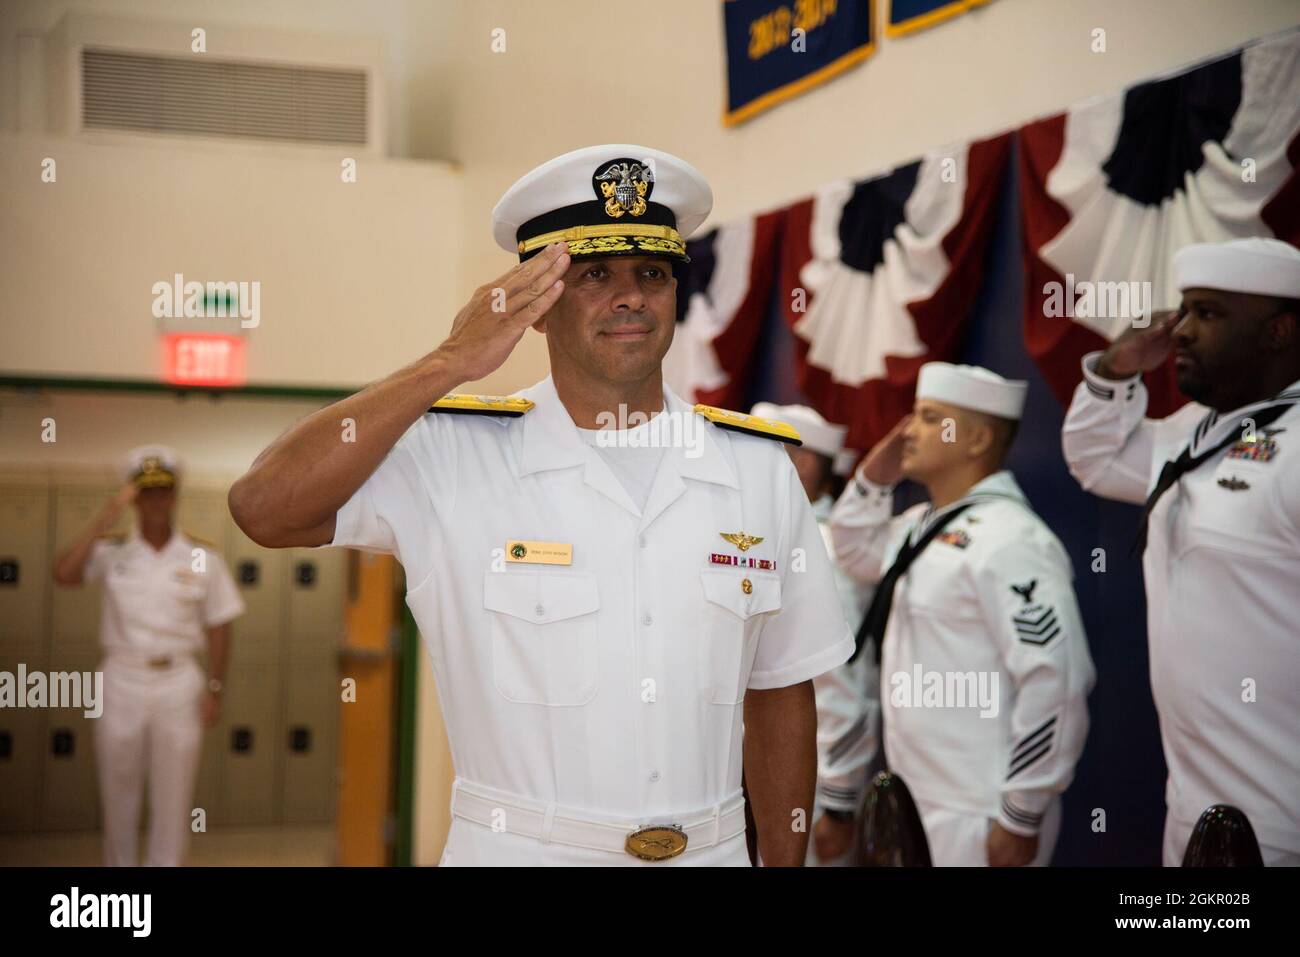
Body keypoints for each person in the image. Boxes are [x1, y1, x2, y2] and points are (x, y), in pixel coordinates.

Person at [228, 144, 853, 866]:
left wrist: (784, 857)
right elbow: (263, 507)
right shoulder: (454, 455)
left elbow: (779, 687)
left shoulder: (754, 468)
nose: (631, 297)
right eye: (594, 276)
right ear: (538, 306)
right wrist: (449, 361)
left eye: (652, 273)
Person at [1062, 236, 1300, 866]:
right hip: (1191, 808)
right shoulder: (1189, 435)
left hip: (1282, 824)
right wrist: (1118, 366)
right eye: (1185, 311)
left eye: (1211, 313)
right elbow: (1095, 457)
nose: (1183, 332)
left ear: (1278, 332)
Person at [831, 363, 1094, 866]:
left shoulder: (1010, 538)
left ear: (976, 440)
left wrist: (1022, 810)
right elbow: (852, 548)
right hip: (921, 797)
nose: (908, 430)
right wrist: (872, 478)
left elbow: (1057, 679)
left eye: (929, 417)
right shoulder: (916, 527)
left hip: (980, 805)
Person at [53, 445, 244, 866]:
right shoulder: (111, 551)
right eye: (147, 492)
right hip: (120, 681)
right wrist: (107, 514)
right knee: (118, 795)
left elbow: (220, 622)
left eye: (164, 491)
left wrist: (215, 685)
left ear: (176, 496)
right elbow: (64, 573)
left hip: (178, 684)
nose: (156, 500)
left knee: (173, 798)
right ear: (135, 498)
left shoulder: (202, 556)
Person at [751, 402, 876, 866]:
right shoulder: (775, 536)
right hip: (767, 773)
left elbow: (844, 687)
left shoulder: (819, 548)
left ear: (799, 461)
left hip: (808, 784)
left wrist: (839, 805)